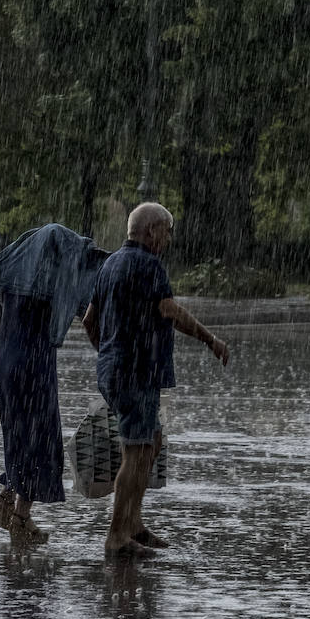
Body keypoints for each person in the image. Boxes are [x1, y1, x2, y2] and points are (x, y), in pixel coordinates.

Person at [83, 203, 229, 558]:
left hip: (117, 369)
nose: (169, 237)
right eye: (167, 229)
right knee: (136, 451)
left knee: (151, 443)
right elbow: (171, 312)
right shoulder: (149, 265)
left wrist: (109, 354)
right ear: (150, 231)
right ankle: (117, 536)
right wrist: (211, 340)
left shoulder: (110, 264)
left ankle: (134, 524)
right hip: (138, 371)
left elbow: (89, 320)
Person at [0, 224, 108, 543]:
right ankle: (20, 520)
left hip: (5, 360)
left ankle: (6, 502)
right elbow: (88, 310)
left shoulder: (16, 270)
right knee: (42, 442)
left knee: (19, 436)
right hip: (32, 363)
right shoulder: (56, 280)